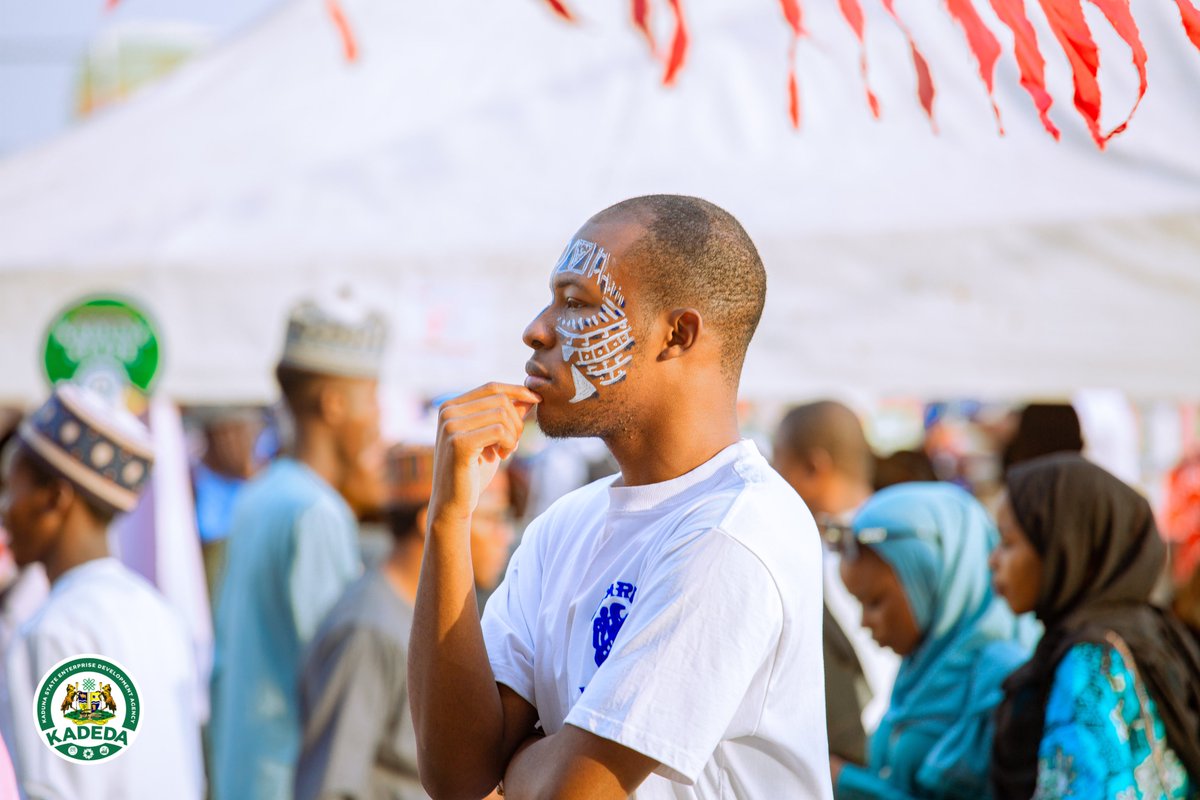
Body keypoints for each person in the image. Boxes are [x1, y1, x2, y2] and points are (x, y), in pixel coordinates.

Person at [409, 195, 832, 799]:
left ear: (677, 335)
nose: (536, 329)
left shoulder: (735, 532)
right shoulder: (566, 525)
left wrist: (521, 755)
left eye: (576, 302)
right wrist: (449, 522)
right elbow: (457, 775)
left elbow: (571, 795)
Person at [209, 298, 386, 800]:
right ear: (334, 403)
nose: (376, 416)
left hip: (240, 772)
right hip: (288, 779)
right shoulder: (315, 512)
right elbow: (338, 674)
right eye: (370, 397)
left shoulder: (261, 492)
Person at [0, 384, 204, 799]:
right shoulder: (155, 612)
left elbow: (57, 791)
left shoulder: (56, 631)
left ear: (55, 498)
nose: (5, 508)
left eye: (11, 488)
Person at [295, 444, 513, 800]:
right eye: (490, 518)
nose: (503, 537)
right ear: (432, 520)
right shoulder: (367, 628)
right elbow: (329, 786)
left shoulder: (419, 615)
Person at [990, 454, 1200, 800]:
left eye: (1009, 543)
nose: (993, 560)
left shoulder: (1090, 661)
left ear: (1064, 547)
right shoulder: (1148, 629)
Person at [829, 483, 1030, 799]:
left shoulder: (1002, 677)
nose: (864, 622)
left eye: (876, 602)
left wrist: (844, 783)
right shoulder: (920, 670)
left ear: (934, 579)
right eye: (859, 603)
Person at [773, 400, 900, 763]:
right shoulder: (912, 537)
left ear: (815, 467)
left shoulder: (815, 556)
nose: (772, 478)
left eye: (778, 462)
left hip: (854, 758)